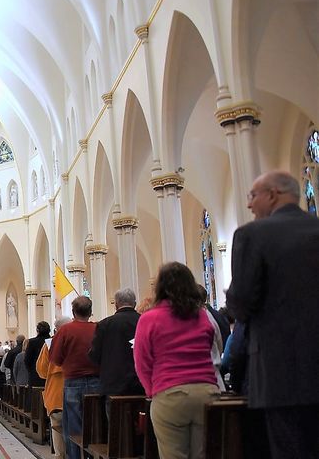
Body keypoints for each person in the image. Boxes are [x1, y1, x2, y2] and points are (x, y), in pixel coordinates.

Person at [226, 171, 319, 458]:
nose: (250, 205)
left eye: (253, 196)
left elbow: (240, 305)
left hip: (279, 372)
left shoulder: (252, 235)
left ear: (273, 194)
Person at [133, 262, 220, 459]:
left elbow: (142, 361)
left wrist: (152, 390)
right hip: (207, 393)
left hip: (170, 393)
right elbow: (213, 348)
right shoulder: (201, 316)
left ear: (160, 287)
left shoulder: (150, 318)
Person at [49, 295, 100, 459]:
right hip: (97, 382)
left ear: (73, 311)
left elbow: (55, 358)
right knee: (95, 424)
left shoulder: (65, 330)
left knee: (73, 427)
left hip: (73, 383)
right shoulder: (99, 329)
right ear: (90, 312)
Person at [88, 287, 144, 416]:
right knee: (141, 428)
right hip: (140, 384)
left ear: (116, 304)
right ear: (135, 303)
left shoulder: (105, 324)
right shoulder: (144, 321)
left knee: (115, 427)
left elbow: (94, 355)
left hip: (113, 385)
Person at [36, 317, 72, 459]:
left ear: (56, 329)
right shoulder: (80, 340)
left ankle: (60, 456)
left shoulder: (50, 345)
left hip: (57, 394)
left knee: (58, 427)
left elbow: (42, 370)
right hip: (79, 393)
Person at [24, 321, 52, 387]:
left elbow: (27, 360)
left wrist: (31, 371)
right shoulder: (52, 341)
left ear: (37, 330)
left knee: (36, 396)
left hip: (35, 375)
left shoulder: (32, 342)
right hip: (49, 375)